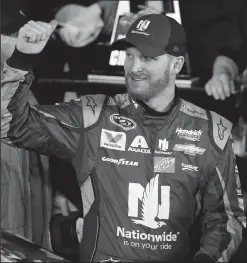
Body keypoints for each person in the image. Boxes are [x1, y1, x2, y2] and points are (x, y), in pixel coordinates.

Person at [1, 14, 246, 262]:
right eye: (129, 55)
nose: (134, 67)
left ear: (176, 65)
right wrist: (22, 59)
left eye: (147, 57)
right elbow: (11, 125)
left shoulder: (211, 131)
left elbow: (226, 217)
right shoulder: (92, 117)